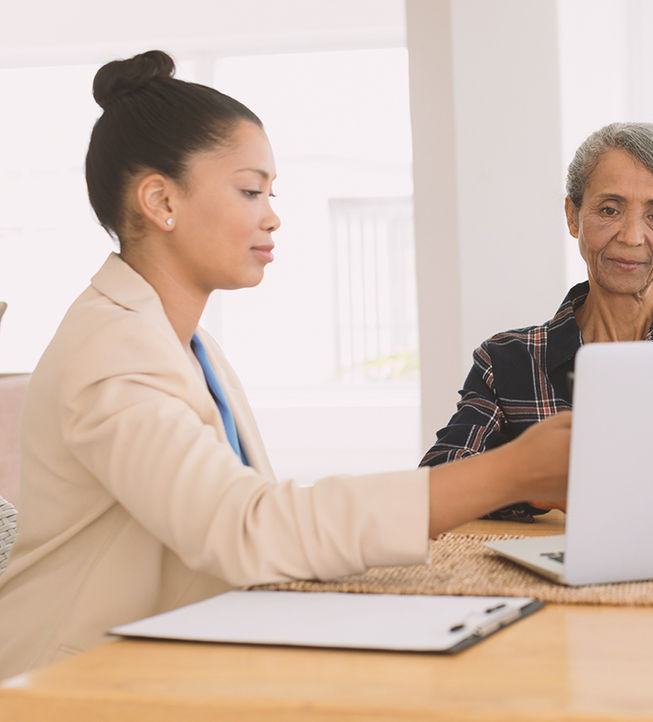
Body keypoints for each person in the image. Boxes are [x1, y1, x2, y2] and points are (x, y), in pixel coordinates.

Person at [0, 50, 571, 677]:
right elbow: (245, 529)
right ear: (161, 200)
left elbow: (247, 517)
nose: (273, 215)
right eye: (250, 190)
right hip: (67, 681)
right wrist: (508, 473)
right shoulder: (109, 351)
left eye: (271, 193)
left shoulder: (187, 344)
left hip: (170, 656)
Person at [420, 122, 653, 521]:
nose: (632, 237)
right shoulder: (506, 362)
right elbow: (435, 485)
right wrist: (534, 486)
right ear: (573, 216)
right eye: (609, 210)